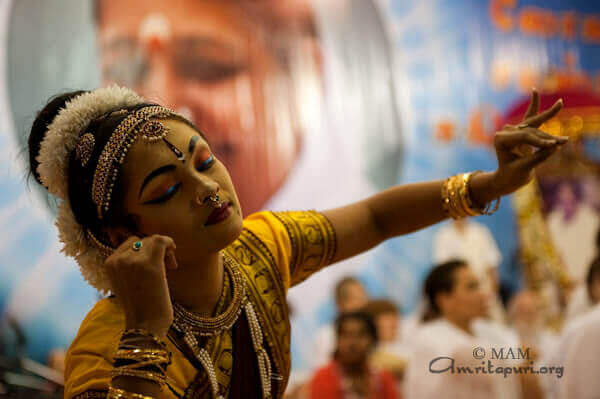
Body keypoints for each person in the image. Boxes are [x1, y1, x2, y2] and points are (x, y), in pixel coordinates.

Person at [27, 86, 563, 398]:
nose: (207, 188)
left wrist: (486, 186)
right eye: (169, 189)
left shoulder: (261, 248)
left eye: (204, 160)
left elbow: (375, 218)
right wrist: (145, 333)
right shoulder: (105, 346)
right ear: (123, 236)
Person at [404, 260, 542, 399]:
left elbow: (526, 362)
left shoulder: (491, 331)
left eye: (479, 285)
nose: (482, 294)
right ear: (444, 299)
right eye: (471, 287)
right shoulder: (429, 339)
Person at [309, 311, 398, 399]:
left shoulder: (383, 379)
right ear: (337, 340)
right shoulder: (323, 378)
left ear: (372, 340)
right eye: (346, 335)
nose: (353, 343)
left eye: (360, 335)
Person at [433, 218, 504, 322]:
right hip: (460, 296)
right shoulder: (443, 236)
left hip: (485, 291)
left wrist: (492, 294)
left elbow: (492, 266)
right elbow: (444, 272)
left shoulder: (480, 232)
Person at [310, 276, 369, 373]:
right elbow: (322, 372)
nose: (364, 303)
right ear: (341, 303)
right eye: (358, 298)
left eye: (365, 297)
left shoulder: (370, 331)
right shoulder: (326, 336)